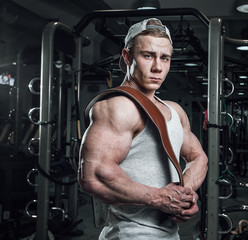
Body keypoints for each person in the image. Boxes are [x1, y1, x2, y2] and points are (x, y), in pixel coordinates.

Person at [78, 18, 208, 240]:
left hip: (169, 234)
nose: (157, 67)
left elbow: (199, 158)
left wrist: (184, 196)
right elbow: (93, 176)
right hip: (131, 234)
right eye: (148, 55)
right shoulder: (119, 107)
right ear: (127, 56)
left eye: (164, 58)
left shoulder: (175, 111)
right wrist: (158, 198)